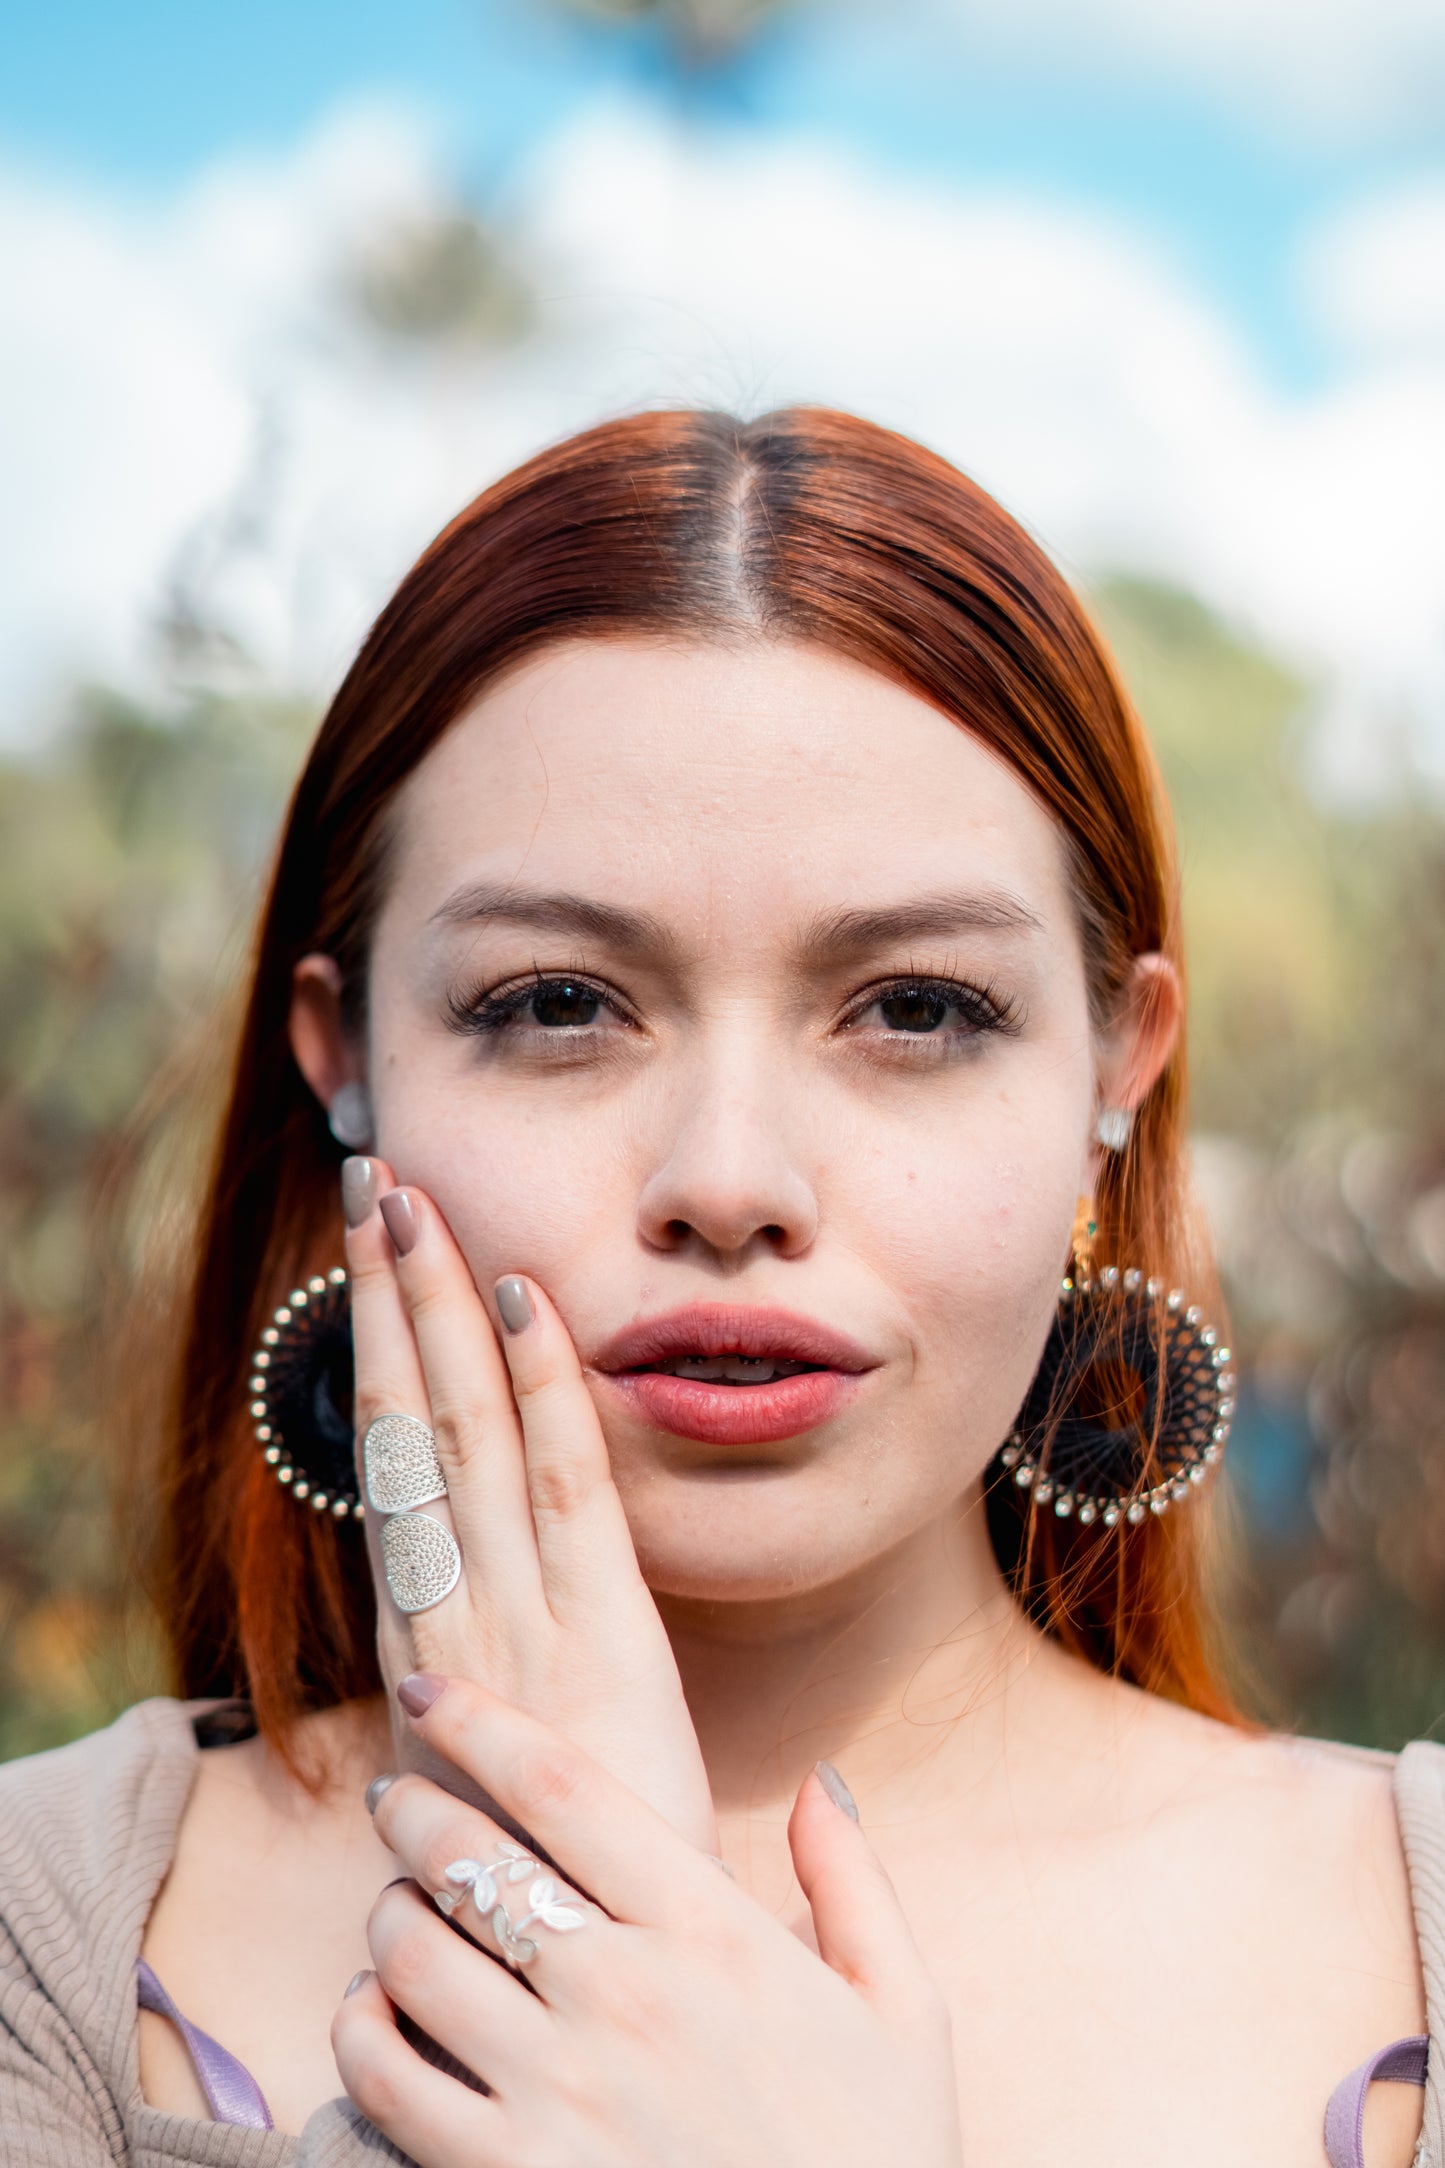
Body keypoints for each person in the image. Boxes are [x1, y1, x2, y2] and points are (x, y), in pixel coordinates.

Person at [0, 407, 1437, 2168]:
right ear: (343, 1061)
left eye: (915, 1007)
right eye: (555, 1004)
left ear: (1111, 1079)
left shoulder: (1410, 1933)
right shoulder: (43, 1941)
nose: (732, 1183)